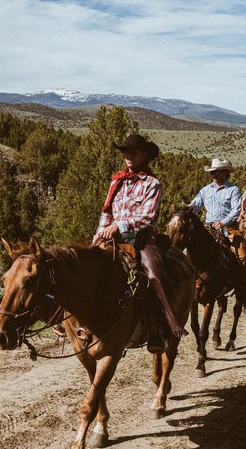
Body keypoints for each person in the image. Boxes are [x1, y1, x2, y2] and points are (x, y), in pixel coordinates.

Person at [94, 134, 185, 339]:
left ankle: (164, 325)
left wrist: (119, 225)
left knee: (154, 273)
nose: (129, 155)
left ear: (144, 155)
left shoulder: (152, 183)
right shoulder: (116, 181)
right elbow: (106, 210)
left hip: (141, 239)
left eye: (134, 152)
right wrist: (100, 231)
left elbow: (147, 217)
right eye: (126, 151)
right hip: (113, 238)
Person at [190, 158, 246, 267]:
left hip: (228, 228)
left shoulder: (233, 190)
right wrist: (186, 210)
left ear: (225, 173)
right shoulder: (205, 190)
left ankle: (242, 283)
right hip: (207, 227)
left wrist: (222, 222)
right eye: (212, 172)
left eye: (216, 172)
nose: (214, 175)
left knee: (242, 257)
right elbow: (195, 205)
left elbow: (236, 210)